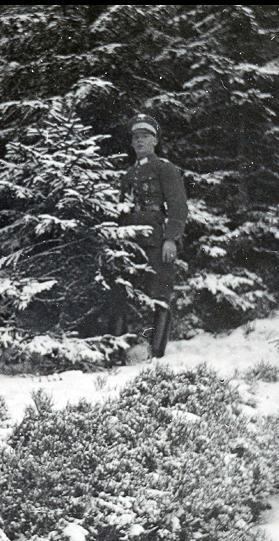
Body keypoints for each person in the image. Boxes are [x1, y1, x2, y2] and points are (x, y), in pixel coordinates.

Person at [112, 113, 188, 359]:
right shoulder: (128, 175)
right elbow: (121, 209)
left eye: (145, 137)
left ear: (155, 141)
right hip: (130, 241)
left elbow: (178, 206)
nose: (139, 141)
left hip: (156, 241)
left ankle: (157, 353)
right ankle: (118, 352)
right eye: (135, 138)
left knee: (160, 293)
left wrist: (171, 238)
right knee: (122, 293)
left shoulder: (165, 169)